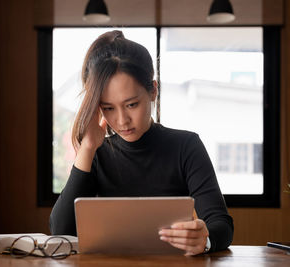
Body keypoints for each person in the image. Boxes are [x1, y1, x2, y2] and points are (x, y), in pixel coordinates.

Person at [49, 30, 233, 256]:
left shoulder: (186, 146)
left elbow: (221, 224)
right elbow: (60, 231)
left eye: (132, 104)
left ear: (153, 91)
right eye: (108, 108)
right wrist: (87, 148)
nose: (122, 120)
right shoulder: (96, 153)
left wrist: (204, 239)